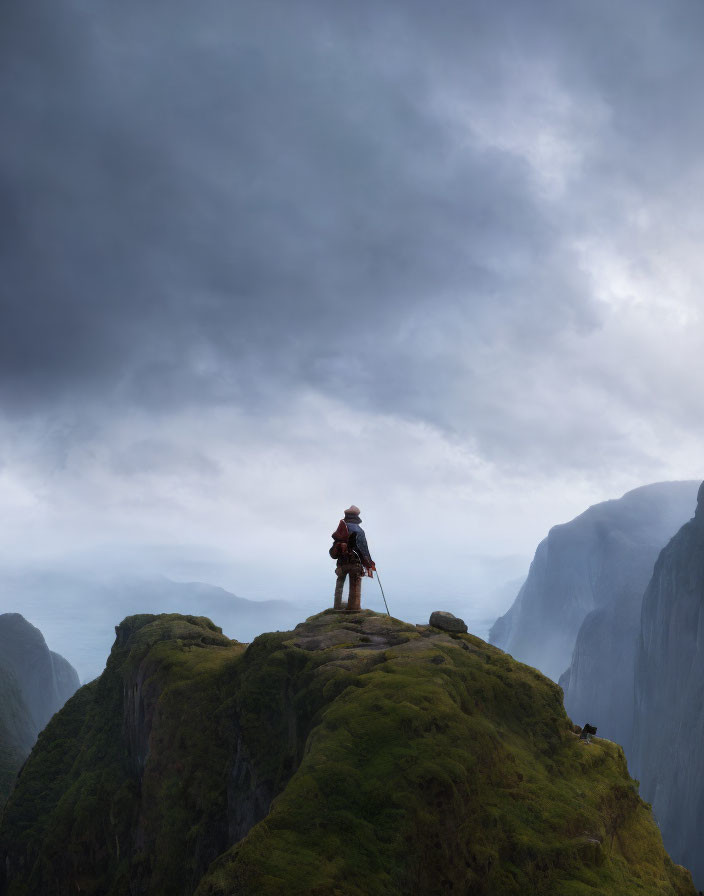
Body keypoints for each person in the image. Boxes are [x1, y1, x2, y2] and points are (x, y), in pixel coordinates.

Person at [330, 505, 375, 611]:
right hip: (355, 563)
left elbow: (334, 549)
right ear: (357, 517)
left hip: (341, 563)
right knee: (355, 584)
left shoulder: (340, 531)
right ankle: (353, 608)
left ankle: (337, 606)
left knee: (340, 583)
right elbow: (363, 549)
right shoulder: (359, 531)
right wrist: (369, 563)